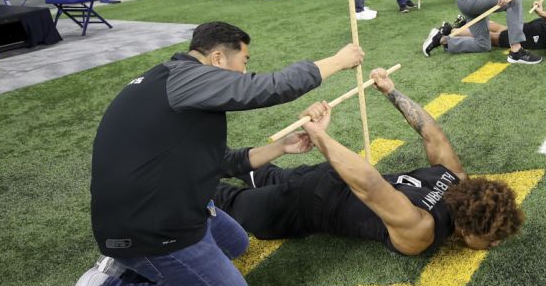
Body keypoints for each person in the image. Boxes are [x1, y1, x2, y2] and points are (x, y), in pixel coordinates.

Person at [51, 22, 364, 286]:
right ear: (217, 58)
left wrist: (281, 148)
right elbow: (269, 88)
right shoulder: (184, 79)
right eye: (244, 62)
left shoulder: (176, 83)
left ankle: (127, 263)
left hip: (165, 204)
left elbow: (219, 161)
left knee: (236, 242)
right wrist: (338, 60)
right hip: (150, 224)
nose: (246, 73)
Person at [216, 69, 525, 255]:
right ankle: (182, 175)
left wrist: (392, 92)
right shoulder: (423, 231)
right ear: (470, 230)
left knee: (267, 176)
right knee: (224, 201)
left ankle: (207, 159)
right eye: (492, 238)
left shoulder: (455, 178)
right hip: (308, 205)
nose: (494, 244)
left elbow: (432, 134)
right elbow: (368, 185)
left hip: (329, 176)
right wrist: (319, 136)